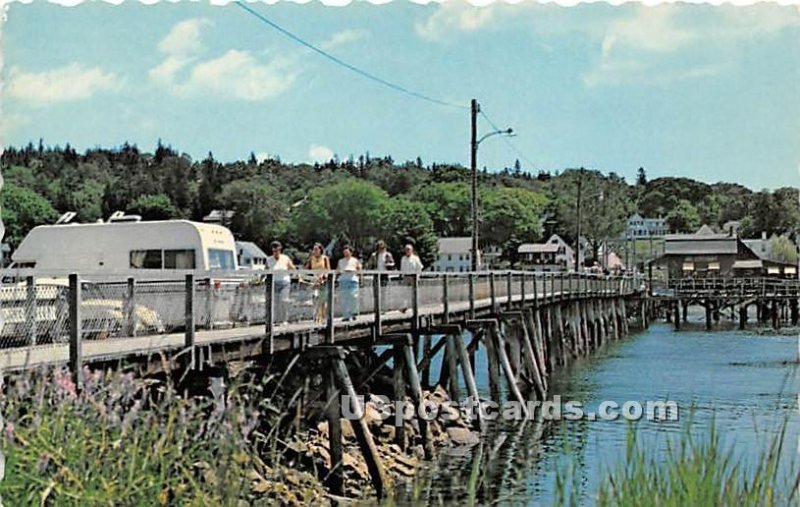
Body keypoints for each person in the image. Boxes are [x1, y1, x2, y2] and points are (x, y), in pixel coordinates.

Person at [267, 241, 296, 326]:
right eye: (274, 251)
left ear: (280, 250)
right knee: (275, 302)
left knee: (284, 301)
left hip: (284, 282)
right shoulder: (269, 259)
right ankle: (276, 320)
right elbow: (266, 270)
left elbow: (292, 268)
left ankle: (285, 319)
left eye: (278, 250)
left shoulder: (285, 258)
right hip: (274, 282)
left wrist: (297, 275)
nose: (276, 252)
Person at [304, 242, 330, 323]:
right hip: (314, 281)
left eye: (316, 249)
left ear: (320, 250)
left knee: (323, 300)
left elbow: (328, 269)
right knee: (315, 298)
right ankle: (316, 316)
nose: (314, 251)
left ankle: (323, 317)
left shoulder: (325, 258)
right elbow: (306, 269)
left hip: (323, 280)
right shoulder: (311, 259)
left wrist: (324, 277)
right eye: (313, 249)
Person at [336, 245, 362, 321]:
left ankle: (353, 312)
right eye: (344, 252)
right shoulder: (340, 261)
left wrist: (360, 278)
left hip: (352, 280)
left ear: (351, 252)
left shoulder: (355, 260)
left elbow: (359, 269)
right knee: (344, 299)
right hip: (343, 280)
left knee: (354, 297)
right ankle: (346, 315)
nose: (346, 254)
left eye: (347, 252)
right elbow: (337, 270)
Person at [400, 244, 423, 311]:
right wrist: (402, 276)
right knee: (405, 292)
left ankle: (415, 306)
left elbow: (420, 267)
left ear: (411, 250)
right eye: (406, 249)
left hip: (413, 277)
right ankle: (405, 306)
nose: (407, 251)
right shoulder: (403, 258)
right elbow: (402, 268)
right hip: (406, 277)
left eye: (408, 249)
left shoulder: (415, 258)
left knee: (414, 292)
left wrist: (418, 276)